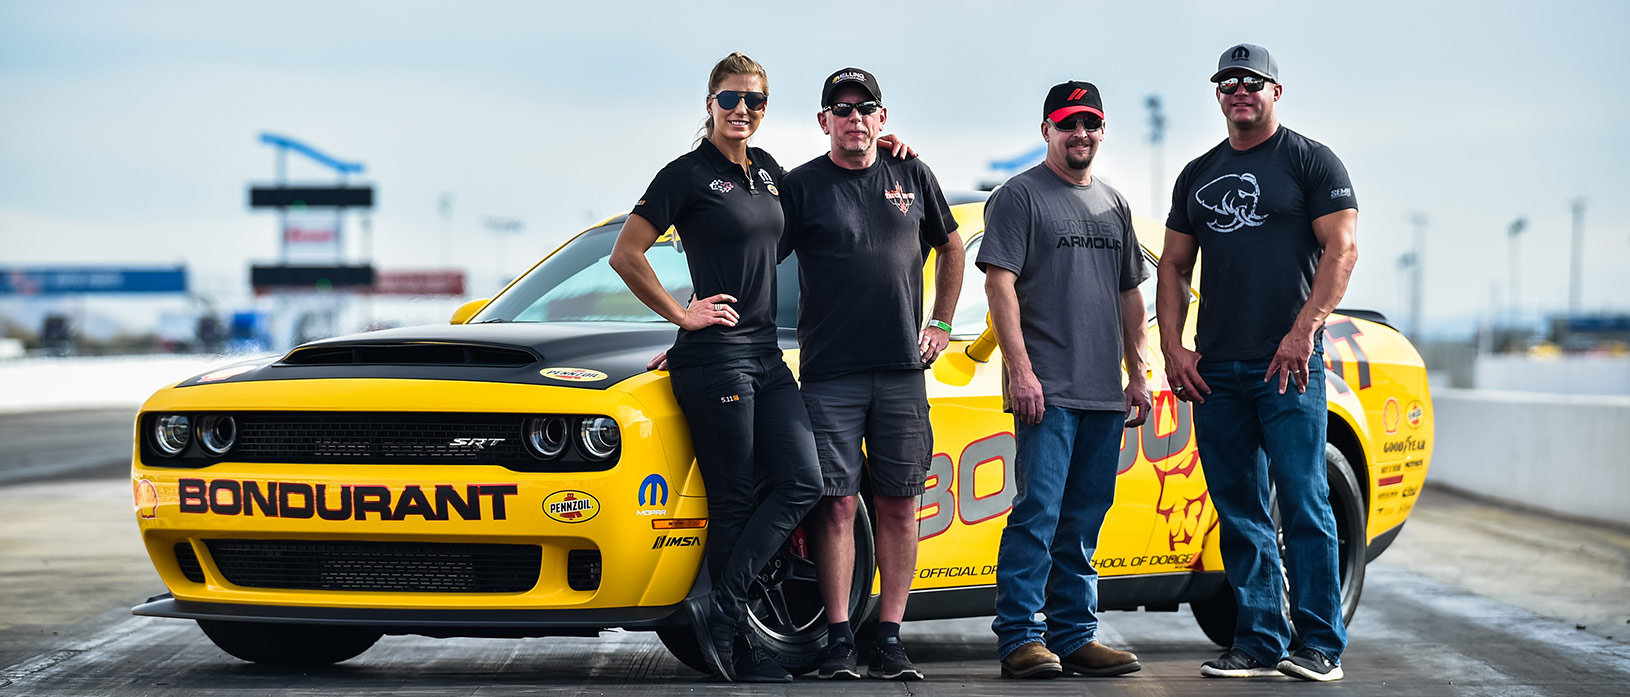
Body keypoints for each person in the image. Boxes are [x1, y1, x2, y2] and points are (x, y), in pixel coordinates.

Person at [609, 52, 822, 684]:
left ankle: (721, 608)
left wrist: (888, 150)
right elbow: (627, 254)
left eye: (755, 101)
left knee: (802, 482)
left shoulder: (768, 173)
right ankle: (734, 637)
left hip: (766, 356)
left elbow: (821, 204)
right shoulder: (686, 174)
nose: (742, 111)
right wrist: (683, 314)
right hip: (716, 358)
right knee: (731, 501)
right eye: (731, 99)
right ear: (710, 103)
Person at [1156, 43, 1359, 683]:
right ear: (1218, 95)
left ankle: (1320, 644)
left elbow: (1342, 250)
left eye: (1252, 81)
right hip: (1218, 367)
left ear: (1275, 90)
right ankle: (1259, 641)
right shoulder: (1198, 172)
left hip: (1289, 366)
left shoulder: (1310, 161)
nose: (1239, 91)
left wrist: (1303, 334)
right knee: (1238, 508)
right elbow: (1174, 266)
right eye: (1227, 83)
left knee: (1303, 501)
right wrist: (1173, 347)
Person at [777, 67, 963, 682]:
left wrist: (940, 321)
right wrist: (691, 323)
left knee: (900, 504)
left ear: (882, 119)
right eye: (842, 108)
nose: (855, 118)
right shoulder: (799, 187)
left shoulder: (911, 173)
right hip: (830, 373)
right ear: (823, 120)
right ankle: (837, 640)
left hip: (903, 372)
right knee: (833, 506)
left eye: (867, 108)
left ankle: (887, 636)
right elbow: (754, 256)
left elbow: (953, 245)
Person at [979, 81, 1151, 680]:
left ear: (1102, 130)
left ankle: (1075, 635)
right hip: (1046, 393)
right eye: (1069, 122)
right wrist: (1021, 371)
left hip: (1106, 392)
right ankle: (1020, 638)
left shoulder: (1114, 204)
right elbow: (999, 286)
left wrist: (1139, 373)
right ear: (1047, 128)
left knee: (1084, 518)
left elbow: (1132, 293)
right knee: (1038, 513)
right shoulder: (1019, 198)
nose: (1081, 133)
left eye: (1091, 123)